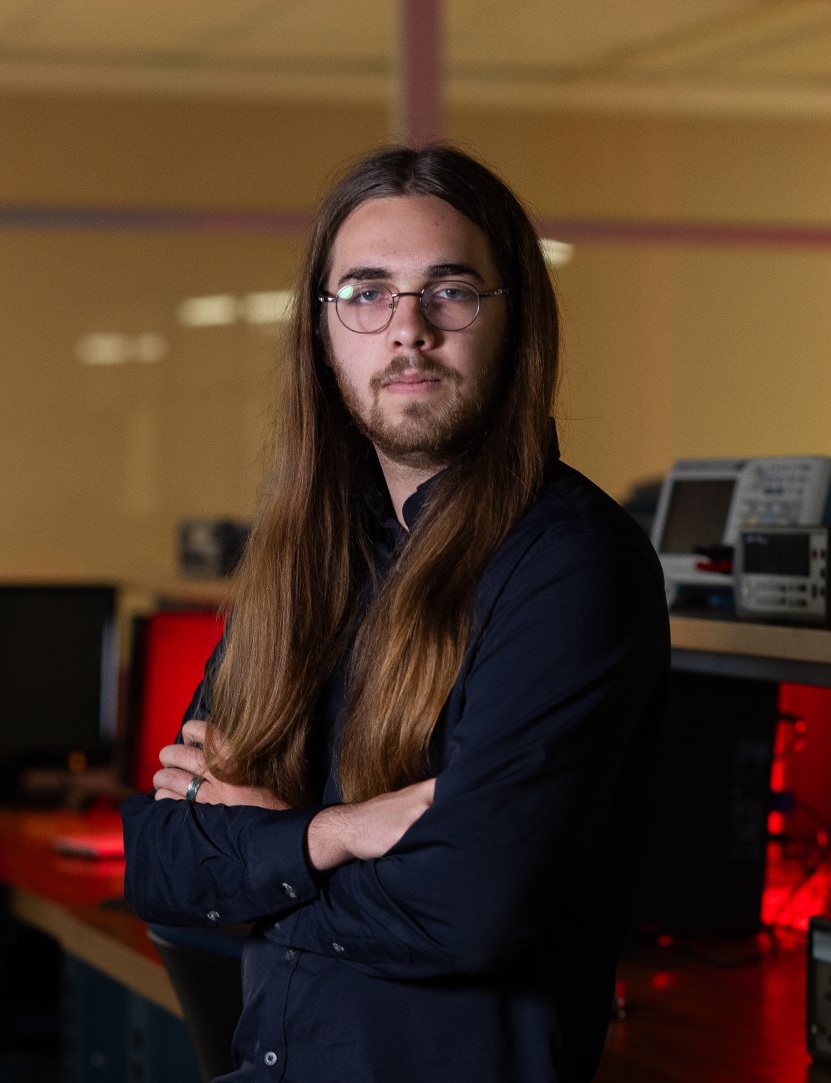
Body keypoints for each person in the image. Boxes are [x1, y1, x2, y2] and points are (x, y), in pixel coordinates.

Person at [120, 143, 669, 1083]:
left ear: (513, 320)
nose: (407, 329)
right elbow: (159, 864)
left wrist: (258, 854)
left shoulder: (571, 565)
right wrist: (334, 832)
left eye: (449, 290)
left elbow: (469, 905)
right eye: (367, 293)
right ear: (324, 331)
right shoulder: (302, 559)